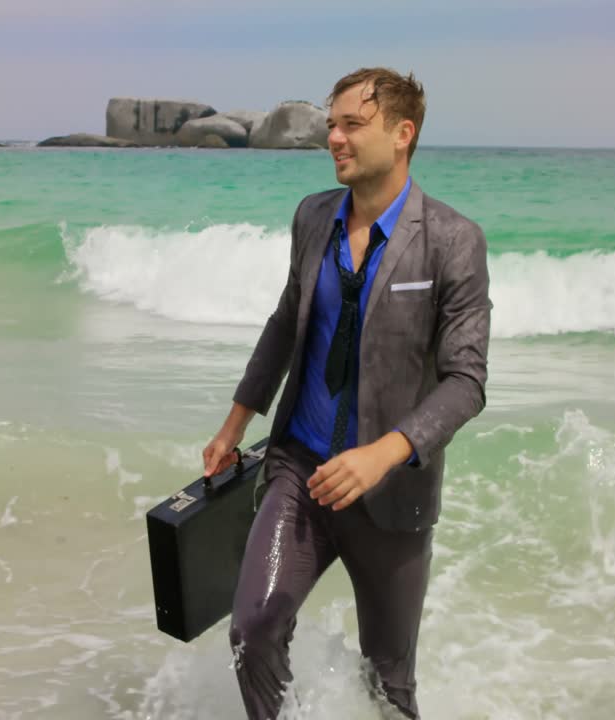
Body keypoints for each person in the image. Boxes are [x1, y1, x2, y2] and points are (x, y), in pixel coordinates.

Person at [202, 67, 492, 719]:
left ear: (402, 133)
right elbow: (286, 323)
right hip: (298, 469)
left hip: (391, 494)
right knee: (253, 632)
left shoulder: (452, 241)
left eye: (351, 125)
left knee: (389, 683)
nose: (333, 137)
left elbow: (466, 381)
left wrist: (383, 454)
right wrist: (234, 423)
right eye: (331, 124)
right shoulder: (311, 218)